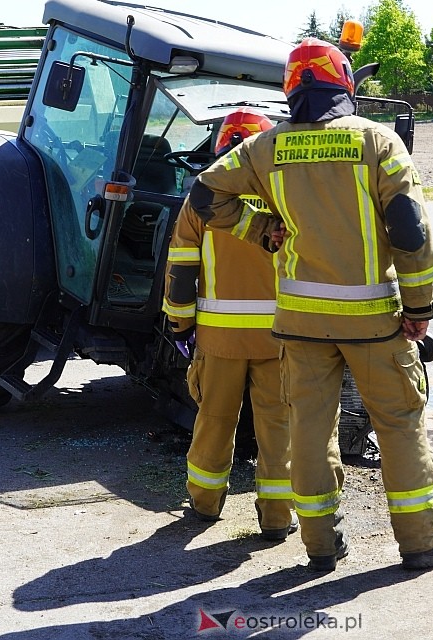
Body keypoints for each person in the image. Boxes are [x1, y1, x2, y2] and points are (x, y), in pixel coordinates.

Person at [189, 37, 433, 572]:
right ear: (343, 82)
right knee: (399, 423)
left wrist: (259, 228)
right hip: (374, 323)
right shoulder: (378, 142)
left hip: (300, 323)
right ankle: (419, 543)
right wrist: (419, 308)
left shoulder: (264, 147)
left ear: (291, 90)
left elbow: (204, 196)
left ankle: (320, 545)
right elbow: (410, 232)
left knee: (310, 430)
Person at [162, 108, 295, 541]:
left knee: (215, 419)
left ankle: (204, 504)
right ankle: (277, 516)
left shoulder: (200, 203)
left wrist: (180, 325)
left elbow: (181, 269)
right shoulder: (284, 199)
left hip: (219, 339)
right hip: (279, 337)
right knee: (278, 425)